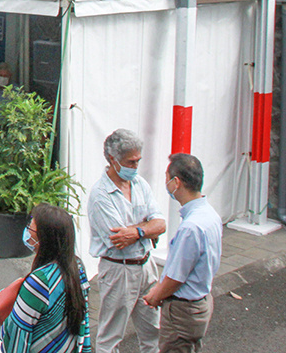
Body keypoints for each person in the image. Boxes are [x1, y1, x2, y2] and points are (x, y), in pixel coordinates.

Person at [89, 129, 166, 353]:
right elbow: (117, 240)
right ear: (112, 159)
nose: (135, 167)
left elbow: (160, 224)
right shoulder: (101, 194)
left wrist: (135, 231)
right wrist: (146, 228)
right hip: (118, 270)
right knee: (110, 335)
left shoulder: (140, 184)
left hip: (146, 266)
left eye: (137, 161)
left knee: (154, 330)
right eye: (131, 162)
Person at [142, 154, 223, 353]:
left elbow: (176, 277)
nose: (166, 183)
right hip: (200, 303)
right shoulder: (210, 216)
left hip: (182, 311)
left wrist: (155, 296)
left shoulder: (190, 228)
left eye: (167, 177)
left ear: (176, 182)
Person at [0, 203, 92, 353]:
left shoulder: (39, 282)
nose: (27, 231)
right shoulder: (77, 267)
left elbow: (18, 335)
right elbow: (83, 321)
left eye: (31, 228)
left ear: (45, 238)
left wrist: (2, 329)